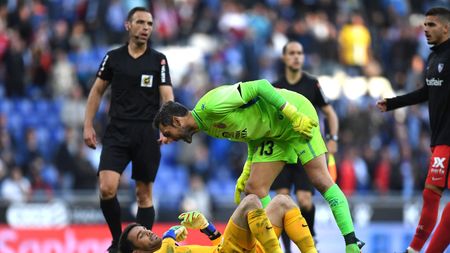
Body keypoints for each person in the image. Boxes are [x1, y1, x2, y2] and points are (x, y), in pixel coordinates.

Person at [154, 79, 364, 252]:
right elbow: (252, 134)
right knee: (254, 188)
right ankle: (271, 246)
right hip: (271, 134)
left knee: (320, 180)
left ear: (177, 121)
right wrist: (248, 169)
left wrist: (292, 113)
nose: (170, 138)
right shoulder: (207, 126)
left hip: (294, 115)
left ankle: (351, 242)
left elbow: (261, 86)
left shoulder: (212, 105)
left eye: (168, 133)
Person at [83, 7, 174, 253]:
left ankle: (142, 248)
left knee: (144, 195)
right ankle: (118, 242)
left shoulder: (159, 59)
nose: (146, 28)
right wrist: (88, 124)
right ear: (128, 25)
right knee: (107, 187)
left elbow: (167, 96)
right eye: (141, 22)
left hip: (147, 132)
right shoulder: (113, 58)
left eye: (150, 24)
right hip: (117, 130)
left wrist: (167, 127)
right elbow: (97, 91)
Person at [376, 7, 450, 253]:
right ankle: (416, 249)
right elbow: (427, 92)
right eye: (424, 25)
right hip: (440, 139)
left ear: (446, 27)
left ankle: (418, 249)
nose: (425, 29)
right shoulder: (433, 58)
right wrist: (394, 103)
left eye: (431, 25)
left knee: (433, 194)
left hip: (448, 141)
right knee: (430, 196)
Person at [271, 41, 340, 252]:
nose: (296, 57)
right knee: (282, 199)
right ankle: (286, 248)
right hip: (282, 151)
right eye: (292, 53)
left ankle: (310, 241)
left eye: (300, 53)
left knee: (305, 200)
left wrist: (332, 138)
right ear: (284, 57)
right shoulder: (274, 87)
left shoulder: (312, 84)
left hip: (304, 152)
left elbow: (330, 113)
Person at [118, 194, 317, 253]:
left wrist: (208, 228)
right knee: (250, 202)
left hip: (232, 250)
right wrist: (169, 234)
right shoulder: (167, 247)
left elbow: (222, 247)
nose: (149, 232)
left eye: (145, 229)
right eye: (142, 235)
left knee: (283, 202)